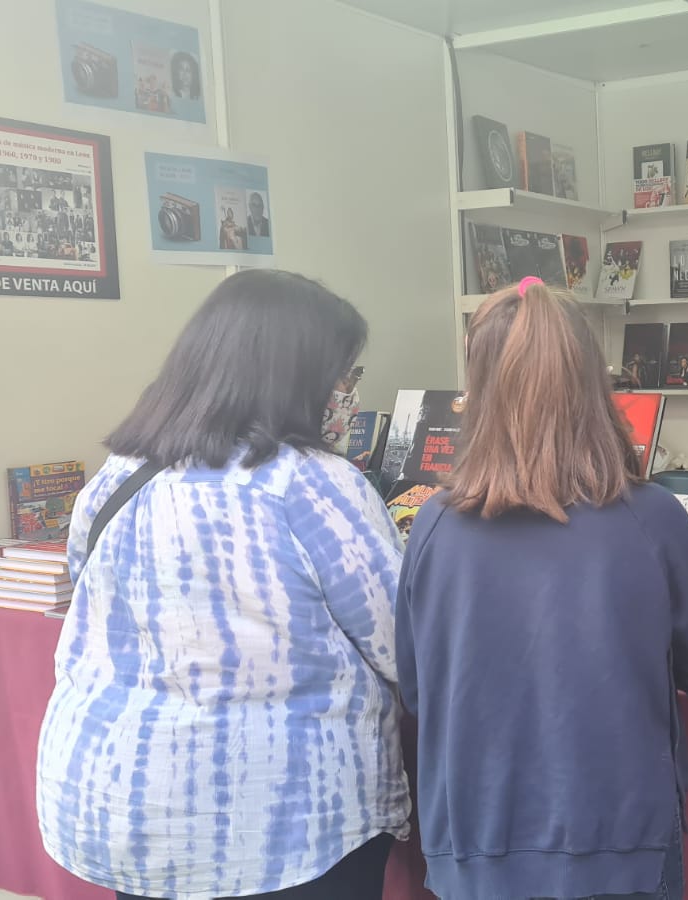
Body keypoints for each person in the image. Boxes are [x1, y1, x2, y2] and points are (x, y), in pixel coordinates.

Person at [36, 269, 410, 900]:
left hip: (122, 806)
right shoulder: (313, 483)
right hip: (281, 826)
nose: (344, 394)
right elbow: (405, 645)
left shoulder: (116, 476)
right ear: (293, 375)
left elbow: (87, 588)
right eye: (341, 375)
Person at [396, 276, 688, 900]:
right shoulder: (653, 516)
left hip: (471, 846)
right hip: (619, 842)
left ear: (476, 389)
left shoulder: (433, 523)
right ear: (596, 383)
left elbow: (419, 691)